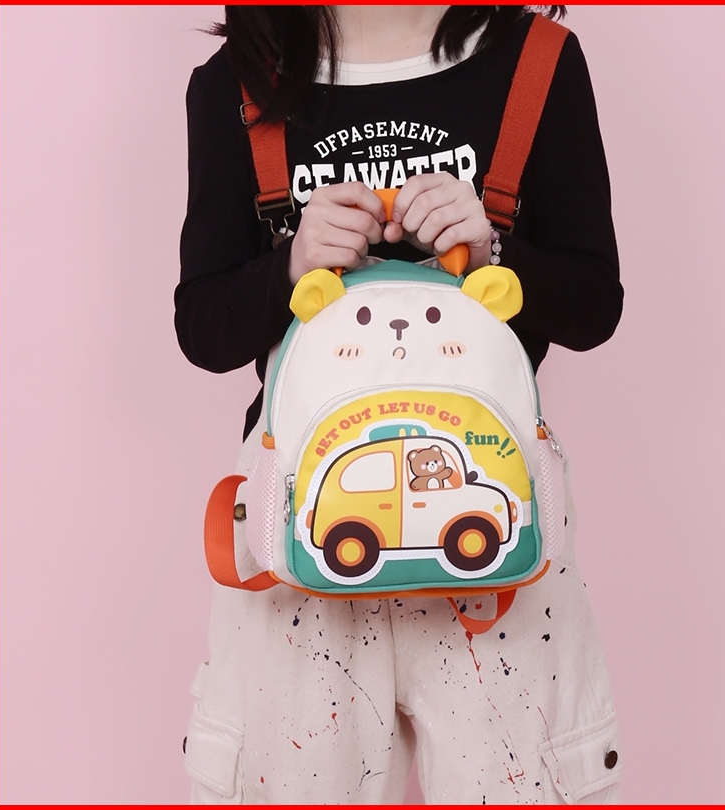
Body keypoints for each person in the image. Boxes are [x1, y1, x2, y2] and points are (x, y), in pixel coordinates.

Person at [176, 5, 624, 804]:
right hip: (297, 524)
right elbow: (203, 327)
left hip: (497, 519)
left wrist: (493, 247)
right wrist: (292, 263)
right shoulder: (235, 84)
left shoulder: (537, 61)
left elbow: (594, 306)